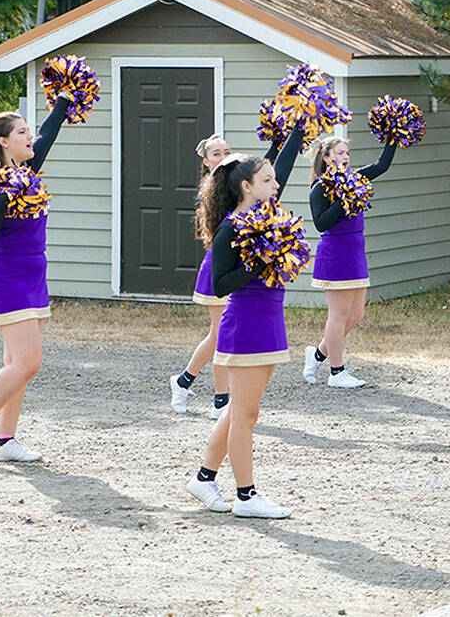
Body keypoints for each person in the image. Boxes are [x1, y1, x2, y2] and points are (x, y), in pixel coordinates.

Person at [185, 124, 306, 519]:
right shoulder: (230, 229)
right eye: (267, 180)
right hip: (246, 324)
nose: (276, 185)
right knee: (245, 414)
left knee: (239, 409)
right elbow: (220, 285)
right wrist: (259, 262)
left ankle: (204, 479)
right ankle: (246, 496)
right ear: (246, 188)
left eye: (274, 179)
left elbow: (283, 166)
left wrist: (298, 129)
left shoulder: (265, 216)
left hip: (269, 321)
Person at [0, 95, 71, 465]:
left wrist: (64, 102)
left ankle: (6, 441)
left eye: (27, 132)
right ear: (3, 141)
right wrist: (3, 201)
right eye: (20, 132)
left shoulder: (30, 169)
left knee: (15, 362)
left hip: (34, 274)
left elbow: (48, 135)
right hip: (5, 276)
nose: (29, 138)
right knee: (29, 362)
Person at [300, 134, 397, 388]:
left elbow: (381, 166)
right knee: (339, 315)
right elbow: (321, 223)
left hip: (356, 250)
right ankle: (336, 372)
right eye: (340, 153)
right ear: (327, 157)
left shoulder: (354, 180)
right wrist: (344, 201)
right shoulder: (320, 186)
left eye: (347, 153)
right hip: (336, 252)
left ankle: (318, 354)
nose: (345, 157)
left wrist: (393, 136)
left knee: (356, 313)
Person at [170, 133, 236, 417]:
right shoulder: (210, 191)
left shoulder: (234, 186)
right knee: (220, 336)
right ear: (207, 161)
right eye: (217, 153)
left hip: (235, 268)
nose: (223, 157)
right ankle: (221, 401)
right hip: (217, 268)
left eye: (226, 152)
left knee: (218, 335)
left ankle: (183, 382)